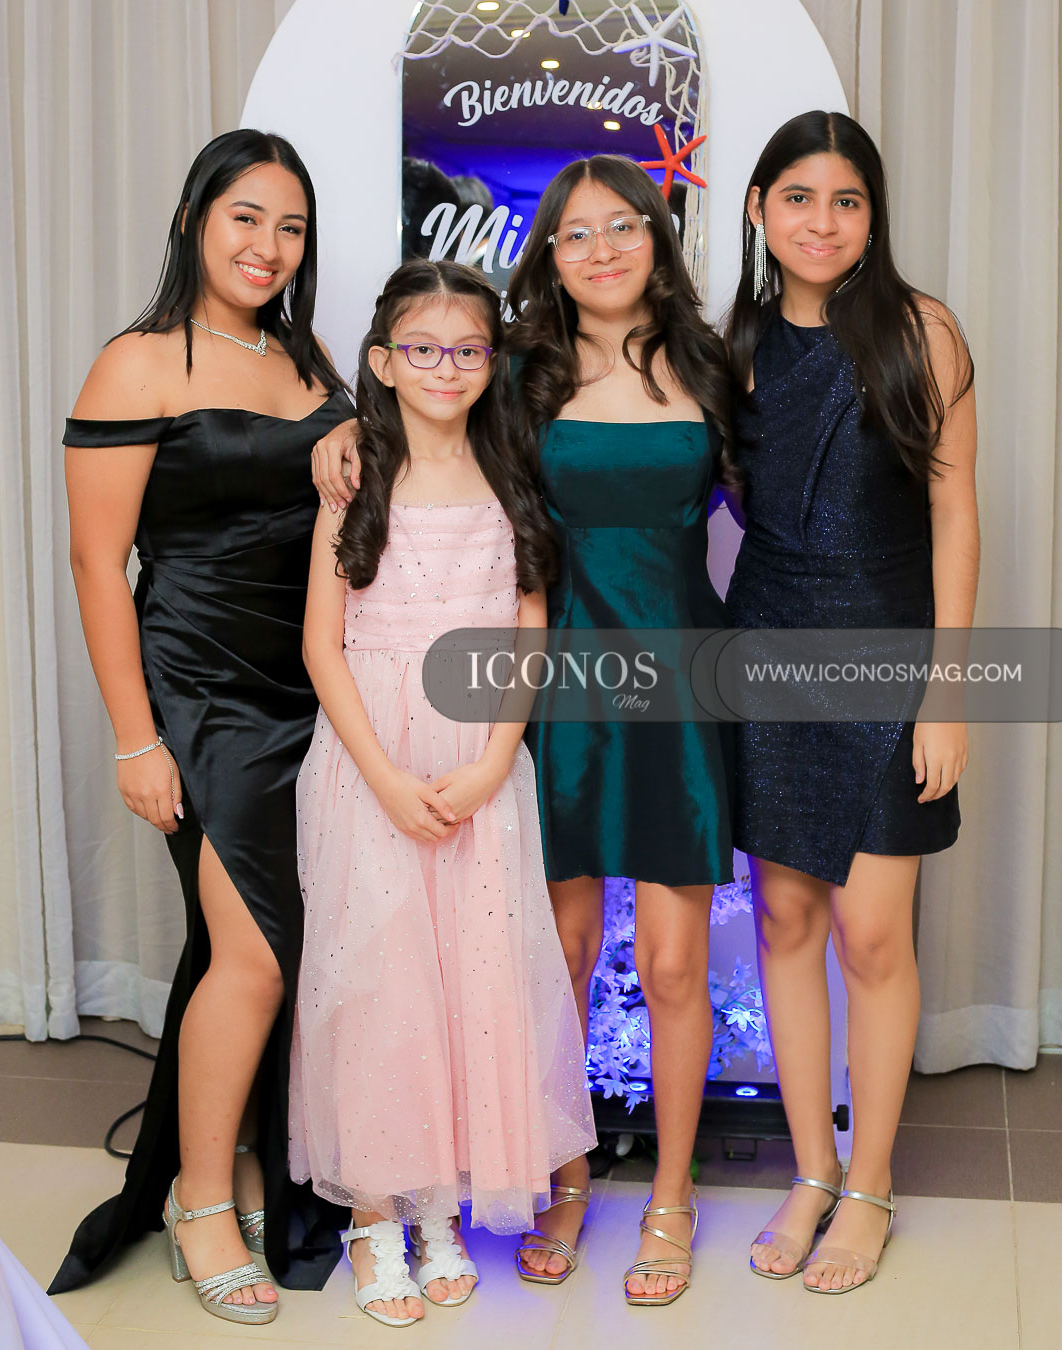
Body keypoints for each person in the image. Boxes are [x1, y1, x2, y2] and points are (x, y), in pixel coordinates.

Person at [308, 155, 735, 1307]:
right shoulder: (521, 374)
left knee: (675, 961)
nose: (602, 250)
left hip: (679, 687)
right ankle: (560, 1177)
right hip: (552, 690)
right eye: (575, 233)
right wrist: (338, 432)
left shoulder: (713, 364)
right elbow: (423, 404)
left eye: (623, 225)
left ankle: (673, 1196)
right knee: (555, 952)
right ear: (548, 253)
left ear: (657, 234)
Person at [50, 130, 354, 1326]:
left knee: (275, 946)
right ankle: (199, 1200)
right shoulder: (136, 362)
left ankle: (245, 1163)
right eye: (245, 217)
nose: (268, 246)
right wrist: (137, 737)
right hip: (201, 687)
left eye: (290, 226)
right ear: (193, 220)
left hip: (308, 687)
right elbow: (96, 562)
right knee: (256, 954)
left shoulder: (303, 355)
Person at [289, 258, 595, 1329]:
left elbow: (530, 626)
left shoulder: (511, 476)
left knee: (472, 982)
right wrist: (381, 775)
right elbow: (321, 644)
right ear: (382, 361)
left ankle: (439, 1207)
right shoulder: (353, 479)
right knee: (378, 985)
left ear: (492, 361)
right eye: (422, 348)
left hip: (477, 759)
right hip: (371, 758)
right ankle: (375, 1215)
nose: (445, 367)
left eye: (467, 349)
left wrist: (496, 758)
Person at [724, 110, 978, 1294]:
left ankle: (870, 1187)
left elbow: (955, 515)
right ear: (759, 207)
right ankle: (812, 1169)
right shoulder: (732, 345)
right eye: (799, 198)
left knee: (873, 934)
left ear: (873, 216)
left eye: (848, 201)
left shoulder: (923, 330)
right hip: (768, 647)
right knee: (785, 923)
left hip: (888, 652)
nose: (822, 223)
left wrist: (947, 691)